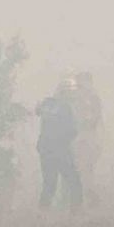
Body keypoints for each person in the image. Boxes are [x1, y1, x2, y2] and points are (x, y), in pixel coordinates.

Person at [36, 78, 83, 212]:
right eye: (72, 93)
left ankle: (41, 215)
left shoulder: (48, 103)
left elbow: (38, 111)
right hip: (61, 150)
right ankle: (76, 214)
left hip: (46, 151)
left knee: (49, 185)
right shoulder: (65, 107)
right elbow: (72, 130)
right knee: (74, 182)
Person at [72, 71, 103, 206]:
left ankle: (87, 192)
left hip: (88, 135)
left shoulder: (93, 98)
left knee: (87, 166)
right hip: (80, 135)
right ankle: (86, 193)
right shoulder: (75, 98)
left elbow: (97, 117)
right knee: (82, 166)